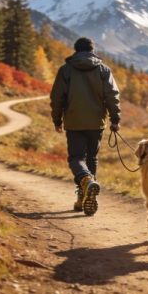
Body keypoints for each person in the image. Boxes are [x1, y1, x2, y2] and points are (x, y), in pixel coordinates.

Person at [50, 37, 121, 216]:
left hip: (74, 122)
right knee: (92, 158)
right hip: (96, 122)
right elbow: (112, 95)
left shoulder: (66, 70)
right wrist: (115, 119)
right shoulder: (104, 70)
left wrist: (57, 120)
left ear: (75, 50)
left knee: (76, 158)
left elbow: (57, 97)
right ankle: (86, 193)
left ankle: (85, 186)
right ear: (92, 50)